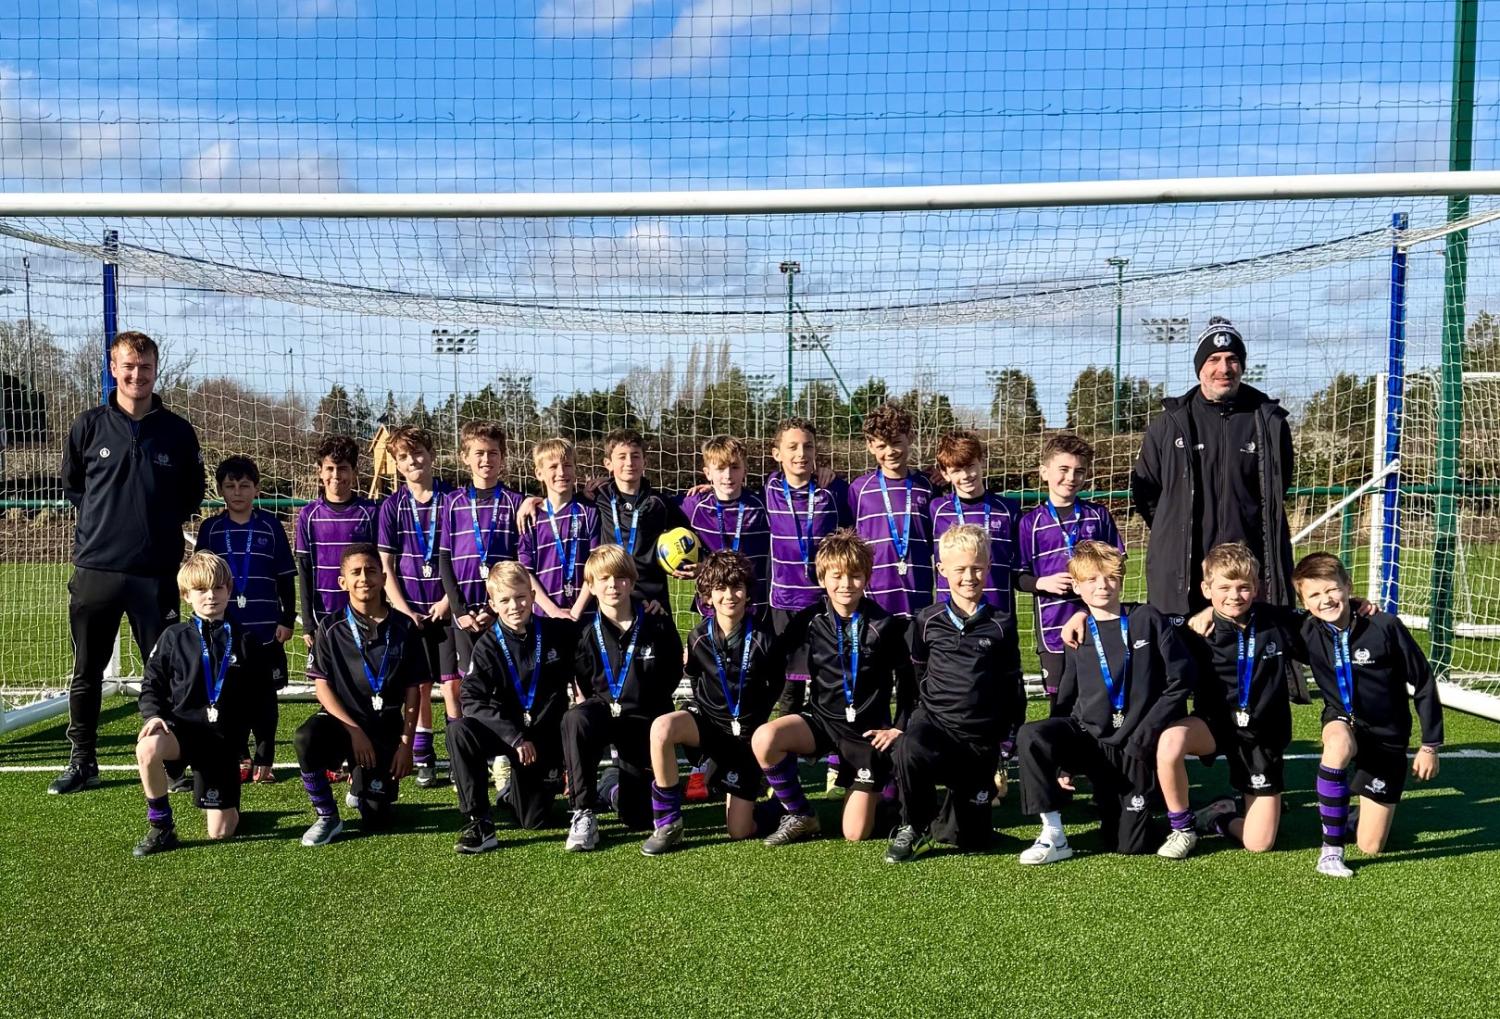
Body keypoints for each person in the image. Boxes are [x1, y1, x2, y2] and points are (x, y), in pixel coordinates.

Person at [54, 329, 205, 795]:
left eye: (144, 367)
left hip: (156, 575)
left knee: (169, 671)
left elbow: (191, 495)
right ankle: (83, 760)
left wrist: (152, 530)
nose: (136, 374)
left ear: (155, 371)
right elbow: (74, 486)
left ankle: (177, 760)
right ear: (113, 369)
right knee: (87, 671)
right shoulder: (89, 425)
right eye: (128, 366)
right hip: (97, 570)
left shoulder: (177, 431)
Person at [1014, 541, 1193, 865]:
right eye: (1092, 580)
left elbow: (1181, 680)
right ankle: (1053, 833)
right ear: (1078, 587)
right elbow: (1065, 700)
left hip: (1133, 744)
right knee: (1032, 735)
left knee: (1129, 844)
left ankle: (1202, 817)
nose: (1102, 585)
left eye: (1110, 577)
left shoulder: (1147, 618)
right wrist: (1061, 762)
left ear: (1121, 579)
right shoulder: (1077, 633)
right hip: (1090, 739)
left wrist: (1147, 732)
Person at [752, 528, 915, 845]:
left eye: (855, 576)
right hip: (822, 722)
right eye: (836, 576)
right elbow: (770, 652)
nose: (845, 584)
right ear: (822, 578)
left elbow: (908, 682)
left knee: (854, 834)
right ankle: (801, 814)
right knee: (765, 738)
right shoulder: (810, 619)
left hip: (867, 734)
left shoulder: (885, 625)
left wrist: (898, 728)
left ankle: (887, 788)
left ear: (866, 578)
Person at [1130, 316, 1295, 616]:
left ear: (1242, 366)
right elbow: (1146, 494)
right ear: (1200, 367)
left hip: (1245, 577)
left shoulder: (1270, 423)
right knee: (1184, 659)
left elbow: (1278, 488)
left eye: (1232, 359)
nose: (1224, 368)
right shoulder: (1169, 424)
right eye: (1214, 359)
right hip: (1184, 575)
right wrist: (1176, 529)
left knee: (1248, 660)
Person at [1292, 552, 1443, 878]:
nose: (1325, 600)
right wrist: (1208, 613)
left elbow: (1424, 682)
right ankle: (1330, 852)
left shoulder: (1385, 626)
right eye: (1314, 595)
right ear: (1304, 602)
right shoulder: (1305, 629)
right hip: (1343, 719)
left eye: (1331, 590)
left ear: (1348, 586)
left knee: (1371, 845)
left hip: (1388, 737)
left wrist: (1430, 745)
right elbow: (1256, 615)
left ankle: (1352, 814)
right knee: (1337, 744)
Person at [887, 524, 1024, 863]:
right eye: (960, 568)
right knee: (909, 746)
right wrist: (906, 722)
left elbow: (1012, 684)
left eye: (977, 567)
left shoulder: (1001, 623)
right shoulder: (926, 620)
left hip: (979, 740)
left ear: (989, 567)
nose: (969, 576)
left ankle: (955, 811)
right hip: (936, 726)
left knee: (971, 841)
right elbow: (916, 675)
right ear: (942, 570)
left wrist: (1008, 739)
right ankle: (912, 825)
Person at [1153, 542, 1295, 858]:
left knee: (1259, 844)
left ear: (1257, 588)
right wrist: (1082, 617)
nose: (1234, 595)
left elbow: (1325, 616)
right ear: (1206, 589)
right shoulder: (1193, 626)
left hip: (1261, 737)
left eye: (1244, 587)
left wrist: (1357, 604)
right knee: (1171, 741)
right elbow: (1134, 618)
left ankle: (1218, 816)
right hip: (1214, 726)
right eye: (1224, 587)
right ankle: (1182, 828)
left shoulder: (1278, 621)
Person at [642, 550, 786, 856]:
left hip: (746, 737)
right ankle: (668, 822)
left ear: (748, 593)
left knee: (739, 831)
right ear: (708, 596)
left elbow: (776, 685)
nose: (729, 596)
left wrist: (752, 725)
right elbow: (694, 677)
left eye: (737, 588)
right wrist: (711, 713)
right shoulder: (697, 637)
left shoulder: (764, 639)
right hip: (710, 729)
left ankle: (778, 803)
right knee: (662, 728)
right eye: (720, 589)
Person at [132, 552, 268, 856]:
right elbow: (151, 684)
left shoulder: (247, 640)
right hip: (182, 733)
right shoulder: (173, 637)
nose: (211, 596)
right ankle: (161, 826)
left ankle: (229, 805)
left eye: (218, 588)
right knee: (147, 747)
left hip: (222, 743)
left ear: (229, 590)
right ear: (186, 595)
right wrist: (153, 715)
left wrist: (263, 750)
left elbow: (263, 701)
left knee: (219, 832)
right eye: (201, 590)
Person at [294, 544, 428, 846]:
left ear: (383, 577)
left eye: (370, 571)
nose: (363, 578)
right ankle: (327, 816)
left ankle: (361, 785)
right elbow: (322, 686)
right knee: (305, 737)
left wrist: (406, 745)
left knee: (376, 820)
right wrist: (354, 732)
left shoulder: (405, 627)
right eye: (355, 572)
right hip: (344, 726)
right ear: (343, 582)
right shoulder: (330, 627)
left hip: (384, 731)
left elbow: (413, 690)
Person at [562, 544, 684, 851]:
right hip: (604, 713)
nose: (612, 585)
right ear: (590, 586)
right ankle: (583, 811)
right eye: (603, 579)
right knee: (577, 717)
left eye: (619, 577)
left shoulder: (657, 622)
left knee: (638, 817)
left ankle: (610, 786)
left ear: (631, 580)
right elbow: (585, 684)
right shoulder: (585, 633)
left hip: (643, 720)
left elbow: (671, 675)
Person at [448, 562, 575, 853]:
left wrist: (646, 609)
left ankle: (510, 794)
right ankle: (479, 823)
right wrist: (514, 736)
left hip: (542, 738)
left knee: (534, 820)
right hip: (507, 736)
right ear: (493, 604)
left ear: (532, 595)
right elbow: (470, 700)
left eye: (520, 597)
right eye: (504, 600)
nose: (514, 606)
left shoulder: (558, 633)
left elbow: (599, 632)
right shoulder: (487, 646)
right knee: (460, 730)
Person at [194, 455, 295, 784]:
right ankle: (240, 754)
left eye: (245, 486)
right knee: (229, 694)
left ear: (256, 489)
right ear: (221, 490)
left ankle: (265, 757)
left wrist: (287, 619)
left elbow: (284, 577)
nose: (238, 492)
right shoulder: (211, 528)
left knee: (265, 696)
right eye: (230, 486)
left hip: (265, 629)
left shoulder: (270, 526)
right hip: (225, 630)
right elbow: (199, 578)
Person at [376, 426, 455, 787]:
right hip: (410, 611)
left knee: (454, 685)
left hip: (448, 606)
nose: (413, 461)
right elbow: (387, 568)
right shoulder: (391, 507)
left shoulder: (453, 501)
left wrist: (447, 601)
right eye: (404, 457)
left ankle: (458, 753)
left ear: (432, 454)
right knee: (419, 685)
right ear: (396, 464)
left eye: (418, 452)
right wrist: (404, 610)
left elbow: (462, 559)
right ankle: (424, 754)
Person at [1017, 434, 1123, 699]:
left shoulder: (1097, 515)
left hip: (1097, 618)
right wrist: (1041, 583)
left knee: (1101, 695)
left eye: (1079, 471)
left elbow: (1118, 563)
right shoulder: (1030, 523)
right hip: (1052, 628)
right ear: (1044, 472)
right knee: (1060, 700)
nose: (1071, 477)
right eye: (1063, 469)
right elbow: (1017, 575)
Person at [762, 417, 850, 714]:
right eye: (793, 447)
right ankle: (785, 755)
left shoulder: (834, 490)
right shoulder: (769, 489)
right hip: (783, 603)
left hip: (825, 603)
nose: (801, 454)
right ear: (778, 454)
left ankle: (832, 751)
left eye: (808, 446)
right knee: (788, 687)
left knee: (829, 680)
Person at [439, 420, 524, 714]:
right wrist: (459, 611)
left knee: (502, 677)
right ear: (465, 456)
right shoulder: (451, 502)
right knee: (467, 681)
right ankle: (470, 742)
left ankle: (502, 749)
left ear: (502, 457)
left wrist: (495, 609)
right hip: (463, 613)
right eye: (479, 453)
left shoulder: (516, 503)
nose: (486, 459)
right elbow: (444, 560)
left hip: (501, 609)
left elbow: (519, 560)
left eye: (493, 453)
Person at [589, 427, 692, 614]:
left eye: (635, 456)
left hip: (653, 602)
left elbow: (691, 538)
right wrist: (532, 501)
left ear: (644, 461)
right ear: (608, 463)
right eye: (621, 456)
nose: (629, 462)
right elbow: (560, 501)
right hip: (611, 595)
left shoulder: (660, 503)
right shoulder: (598, 497)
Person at [847, 402, 935, 620]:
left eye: (896, 443)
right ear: (870, 446)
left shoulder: (928, 486)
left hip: (919, 598)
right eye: (882, 446)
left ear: (910, 438)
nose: (890, 451)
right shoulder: (859, 489)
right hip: (874, 601)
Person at [295, 434, 379, 649]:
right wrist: (307, 623)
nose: (336, 475)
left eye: (342, 468)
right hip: (323, 615)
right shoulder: (309, 515)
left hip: (364, 612)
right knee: (327, 680)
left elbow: (381, 567)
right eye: (330, 468)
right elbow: (304, 569)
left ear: (354, 472)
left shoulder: (370, 513)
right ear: (320, 471)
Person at [929, 429, 1021, 618]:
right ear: (945, 474)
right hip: (951, 613)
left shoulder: (1007, 510)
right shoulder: (936, 510)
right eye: (956, 470)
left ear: (982, 462)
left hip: (998, 611)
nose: (966, 476)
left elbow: (1020, 563)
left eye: (970, 466)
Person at [679, 435, 772, 611]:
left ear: (745, 470)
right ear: (708, 473)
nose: (728, 475)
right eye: (720, 468)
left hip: (754, 604)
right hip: (712, 604)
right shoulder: (694, 505)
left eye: (735, 467)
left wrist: (822, 473)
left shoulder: (761, 505)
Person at [517, 436, 599, 620]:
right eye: (553, 467)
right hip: (544, 616)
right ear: (539, 473)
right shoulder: (530, 516)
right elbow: (525, 571)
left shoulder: (590, 512)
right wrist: (553, 611)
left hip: (585, 613)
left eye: (567, 465)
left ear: (575, 469)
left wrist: (577, 610)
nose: (561, 472)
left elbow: (597, 565)